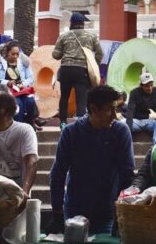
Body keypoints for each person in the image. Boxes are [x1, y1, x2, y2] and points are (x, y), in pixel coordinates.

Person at [47, 86, 134, 235]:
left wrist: (121, 215)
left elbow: (127, 175)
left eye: (116, 110)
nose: (114, 115)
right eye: (109, 109)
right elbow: (58, 173)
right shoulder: (71, 133)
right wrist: (57, 213)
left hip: (107, 215)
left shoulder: (120, 132)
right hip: (75, 214)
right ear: (94, 109)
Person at [53, 12, 104, 130]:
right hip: (81, 71)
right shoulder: (91, 36)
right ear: (82, 24)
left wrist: (65, 52)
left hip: (66, 70)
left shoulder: (64, 36)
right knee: (81, 98)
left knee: (64, 96)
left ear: (71, 23)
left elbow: (56, 55)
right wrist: (93, 64)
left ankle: (63, 123)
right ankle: (82, 124)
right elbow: (100, 53)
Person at [0, 41, 43, 130]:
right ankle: (18, 127)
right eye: (13, 54)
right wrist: (7, 82)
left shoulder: (23, 63)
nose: (15, 56)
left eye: (17, 54)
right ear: (7, 53)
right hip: (8, 91)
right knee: (17, 104)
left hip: (22, 90)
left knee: (30, 102)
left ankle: (30, 125)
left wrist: (23, 84)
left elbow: (31, 78)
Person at [126, 72, 156, 142]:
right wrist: (128, 128)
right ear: (141, 85)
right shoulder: (134, 93)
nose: (150, 88)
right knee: (122, 123)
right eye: (147, 86)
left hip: (150, 121)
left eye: (151, 85)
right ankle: (126, 144)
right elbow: (130, 110)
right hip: (136, 122)